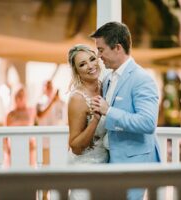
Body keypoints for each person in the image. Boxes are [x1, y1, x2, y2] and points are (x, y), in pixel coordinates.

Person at [90, 21, 160, 200]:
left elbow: (147, 123)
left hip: (135, 163)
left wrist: (109, 111)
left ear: (117, 48)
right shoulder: (107, 80)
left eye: (101, 49)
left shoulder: (142, 79)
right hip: (112, 161)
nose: (98, 56)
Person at [67, 44, 109, 199]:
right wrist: (95, 120)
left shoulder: (106, 86)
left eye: (92, 59)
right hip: (85, 167)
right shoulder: (77, 99)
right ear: (77, 71)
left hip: (106, 164)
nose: (90, 66)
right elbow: (75, 147)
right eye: (82, 64)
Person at [5, 86, 37, 167]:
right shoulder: (10, 114)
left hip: (29, 147)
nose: (20, 98)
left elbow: (35, 126)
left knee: (29, 171)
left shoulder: (31, 111)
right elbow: (5, 134)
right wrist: (7, 148)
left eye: (22, 95)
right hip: (14, 147)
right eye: (18, 95)